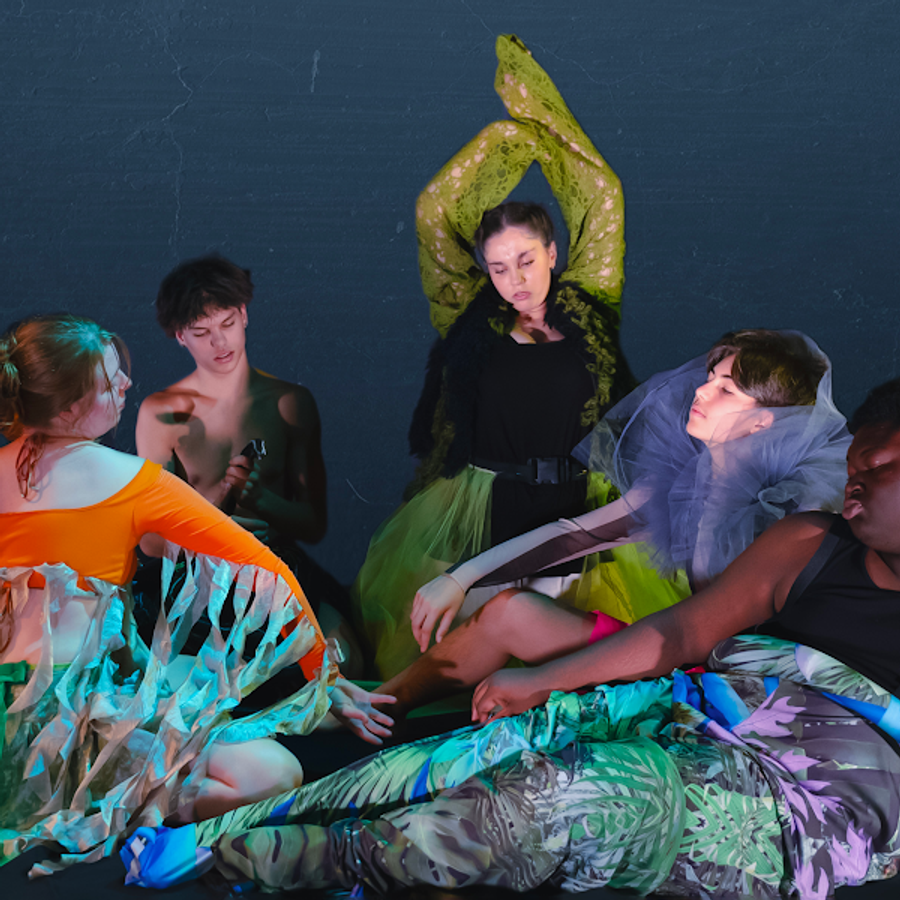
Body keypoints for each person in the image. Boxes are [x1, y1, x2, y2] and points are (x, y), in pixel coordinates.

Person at [124, 377, 900, 899]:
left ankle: (273, 857)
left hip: (803, 784)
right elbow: (679, 630)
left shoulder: (778, 497)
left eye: (885, 464)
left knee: (563, 793)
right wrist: (539, 674)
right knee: (468, 751)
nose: (857, 479)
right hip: (696, 702)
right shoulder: (808, 539)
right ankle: (232, 821)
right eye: (856, 464)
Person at [0, 314, 392, 871]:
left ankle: (85, 804)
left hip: (23, 718)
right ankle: (112, 813)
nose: (127, 385)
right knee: (272, 773)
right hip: (83, 718)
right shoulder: (130, 481)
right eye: (110, 383)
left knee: (184, 678)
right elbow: (265, 571)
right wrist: (320, 678)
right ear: (66, 411)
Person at [380, 329, 850, 715]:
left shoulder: (792, 513)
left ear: (763, 423)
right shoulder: (683, 482)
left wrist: (545, 678)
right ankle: (375, 705)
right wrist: (459, 578)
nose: (702, 390)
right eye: (710, 378)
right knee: (509, 611)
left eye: (726, 390)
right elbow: (574, 536)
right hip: (680, 658)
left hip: (742, 695)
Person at [353, 34, 633, 679]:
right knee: (466, 667)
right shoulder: (467, 315)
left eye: (527, 260)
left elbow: (602, 192)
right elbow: (434, 211)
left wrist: (543, 127)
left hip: (576, 505)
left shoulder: (592, 305)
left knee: (566, 670)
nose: (515, 280)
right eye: (499, 267)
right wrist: (506, 139)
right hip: (484, 506)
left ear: (554, 253)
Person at [135, 254, 362, 677]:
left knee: (342, 666)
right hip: (197, 578)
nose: (219, 342)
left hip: (276, 569)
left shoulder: (289, 402)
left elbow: (312, 524)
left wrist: (261, 500)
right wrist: (217, 517)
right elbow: (149, 541)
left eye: (227, 324)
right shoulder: (162, 413)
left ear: (243, 315)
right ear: (180, 336)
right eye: (201, 332)